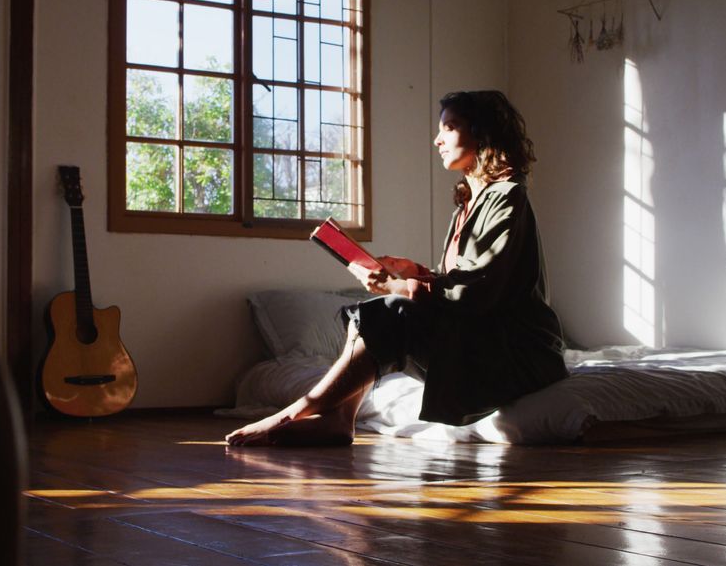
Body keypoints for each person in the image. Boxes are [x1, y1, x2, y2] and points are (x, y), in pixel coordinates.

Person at [226, 90, 567, 446]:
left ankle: (293, 412)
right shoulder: (468, 202)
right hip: (481, 339)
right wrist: (414, 271)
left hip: (518, 355)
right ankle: (340, 417)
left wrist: (397, 286)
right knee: (375, 313)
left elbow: (471, 293)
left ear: (482, 134)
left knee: (393, 311)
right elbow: (458, 284)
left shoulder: (507, 196)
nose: (438, 140)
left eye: (450, 127)